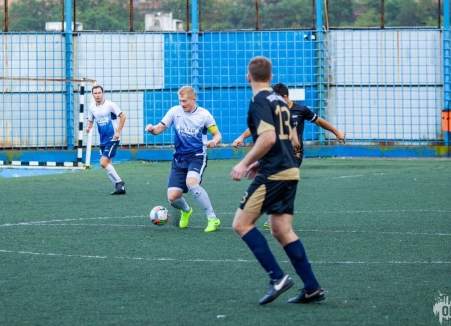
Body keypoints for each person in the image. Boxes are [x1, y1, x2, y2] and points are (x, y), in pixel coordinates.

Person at [231, 56, 324, 305]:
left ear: (248, 77)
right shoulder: (281, 102)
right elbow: (293, 139)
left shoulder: (259, 101)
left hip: (274, 173)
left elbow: (268, 138)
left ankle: (277, 278)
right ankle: (312, 287)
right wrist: (263, 160)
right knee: (281, 230)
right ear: (271, 77)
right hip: (290, 169)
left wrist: (245, 162)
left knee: (241, 224)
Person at [232, 82, 346, 227]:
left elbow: (319, 121)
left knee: (284, 182)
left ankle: (276, 215)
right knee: (272, 182)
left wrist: (336, 132)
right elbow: (257, 126)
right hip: (275, 153)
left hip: (294, 155)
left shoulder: (301, 110)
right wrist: (241, 137)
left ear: (285, 97)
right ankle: (274, 212)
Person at [145, 85, 222, 233]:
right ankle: (186, 211)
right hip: (179, 159)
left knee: (192, 183)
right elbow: (159, 128)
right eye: (180, 101)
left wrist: (214, 141)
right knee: (173, 198)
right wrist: (152, 129)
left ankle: (213, 218)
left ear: (193, 99)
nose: (182, 104)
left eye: (185, 101)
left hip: (197, 156)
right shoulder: (175, 112)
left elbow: (217, 134)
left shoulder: (204, 115)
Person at [86, 85, 127, 195]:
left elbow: (123, 117)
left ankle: (119, 182)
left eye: (99, 93)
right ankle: (119, 188)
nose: (97, 95)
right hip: (102, 140)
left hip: (112, 138)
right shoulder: (91, 108)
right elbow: (91, 120)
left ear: (102, 93)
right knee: (108, 164)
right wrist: (88, 127)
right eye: (95, 93)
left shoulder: (110, 105)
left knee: (103, 163)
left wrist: (118, 132)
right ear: (93, 95)